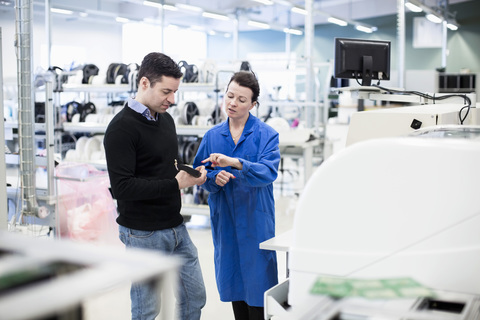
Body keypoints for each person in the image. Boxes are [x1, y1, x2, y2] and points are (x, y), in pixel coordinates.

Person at [103, 52, 207, 320]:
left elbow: (164, 166)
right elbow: (123, 188)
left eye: (175, 92)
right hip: (142, 233)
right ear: (145, 83)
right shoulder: (121, 129)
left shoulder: (166, 120)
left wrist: (188, 174)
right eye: (166, 92)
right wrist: (175, 185)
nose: (172, 100)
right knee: (147, 310)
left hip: (175, 226)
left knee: (195, 297)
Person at [193, 71, 281, 320]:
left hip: (255, 220)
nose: (233, 103)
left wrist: (236, 163)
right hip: (227, 221)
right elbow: (201, 174)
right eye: (230, 96)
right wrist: (213, 179)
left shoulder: (267, 135)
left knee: (259, 284)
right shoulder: (212, 136)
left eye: (241, 100)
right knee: (234, 285)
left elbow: (268, 172)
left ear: (253, 104)